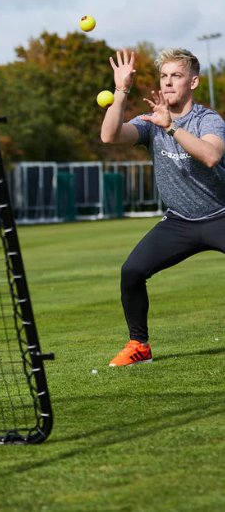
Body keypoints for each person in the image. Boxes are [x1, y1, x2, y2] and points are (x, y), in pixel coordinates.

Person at [100, 48, 225, 366]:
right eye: (164, 76)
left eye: (176, 76)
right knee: (132, 272)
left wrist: (172, 127)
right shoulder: (151, 121)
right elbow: (109, 135)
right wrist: (121, 90)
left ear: (193, 82)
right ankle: (139, 346)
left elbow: (211, 156)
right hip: (179, 222)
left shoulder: (207, 120)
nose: (168, 82)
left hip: (220, 215)